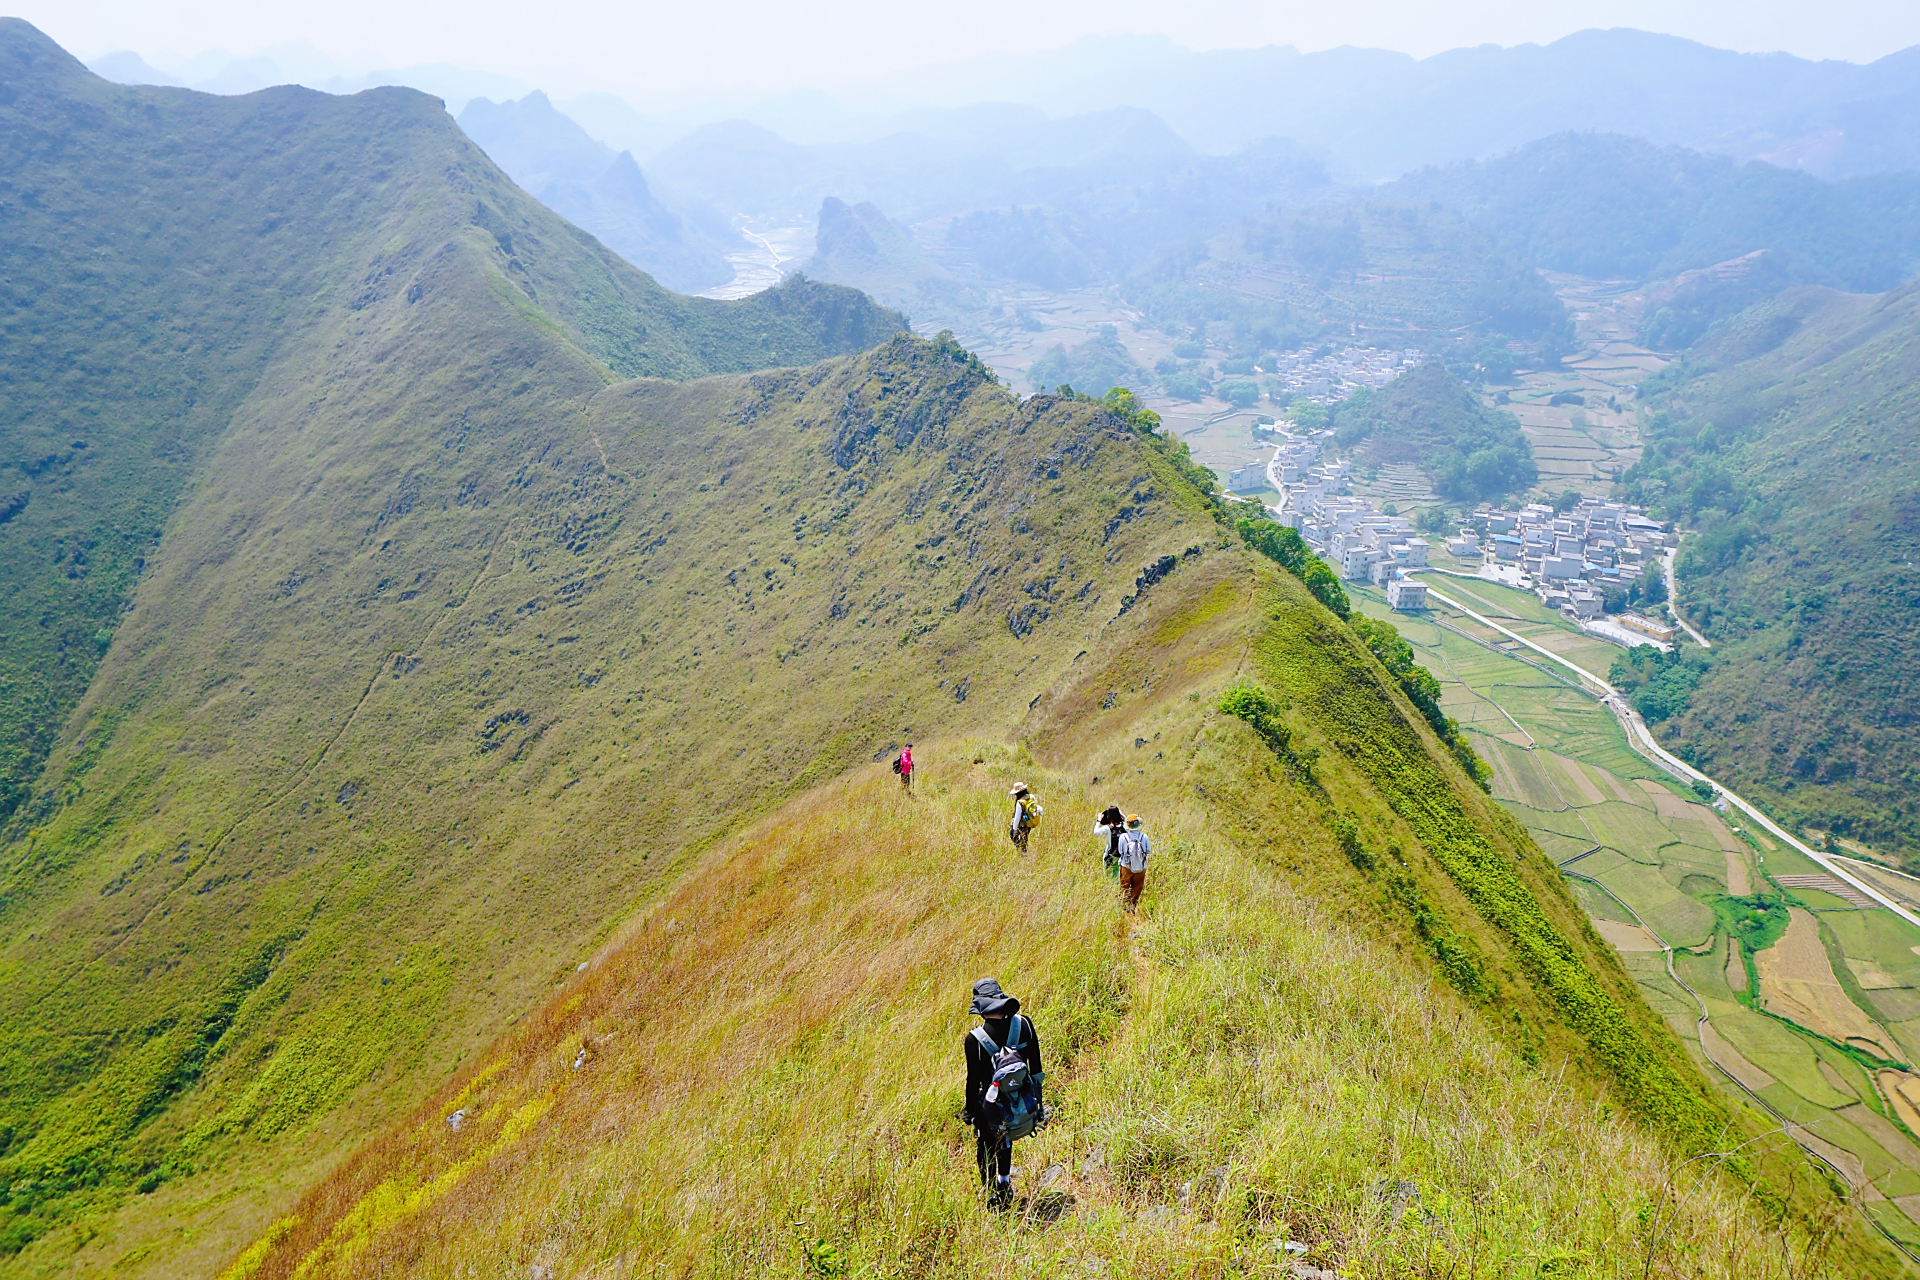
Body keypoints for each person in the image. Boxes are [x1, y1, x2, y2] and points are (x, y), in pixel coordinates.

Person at [961, 978, 1044, 1209]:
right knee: (1005, 1138)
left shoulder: (974, 1039)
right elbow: (1037, 1069)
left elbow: (973, 1081)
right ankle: (1005, 1181)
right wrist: (1037, 1103)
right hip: (1019, 1102)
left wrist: (970, 1111)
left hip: (990, 1106)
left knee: (986, 1143)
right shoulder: (1024, 1025)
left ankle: (990, 1193)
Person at [1117, 813, 1150, 912]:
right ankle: (1133, 906)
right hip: (1141, 867)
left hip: (1126, 866)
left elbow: (1120, 851)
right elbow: (1148, 851)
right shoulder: (1144, 837)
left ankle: (1124, 906)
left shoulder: (1123, 837)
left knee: (1124, 887)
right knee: (1137, 887)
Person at [1094, 806, 1125, 880]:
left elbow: (1095, 831)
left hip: (1110, 855)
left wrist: (1099, 819)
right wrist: (1122, 815)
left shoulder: (1107, 829)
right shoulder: (1125, 826)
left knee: (1108, 877)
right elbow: (1128, 821)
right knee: (1118, 876)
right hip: (1121, 856)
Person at [1008, 783, 1035, 853]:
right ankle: (1024, 851)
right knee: (1024, 838)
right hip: (1030, 822)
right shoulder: (1032, 797)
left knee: (1012, 834)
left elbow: (1017, 817)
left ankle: (1020, 850)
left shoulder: (1020, 802)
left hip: (1022, 823)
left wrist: (1014, 828)